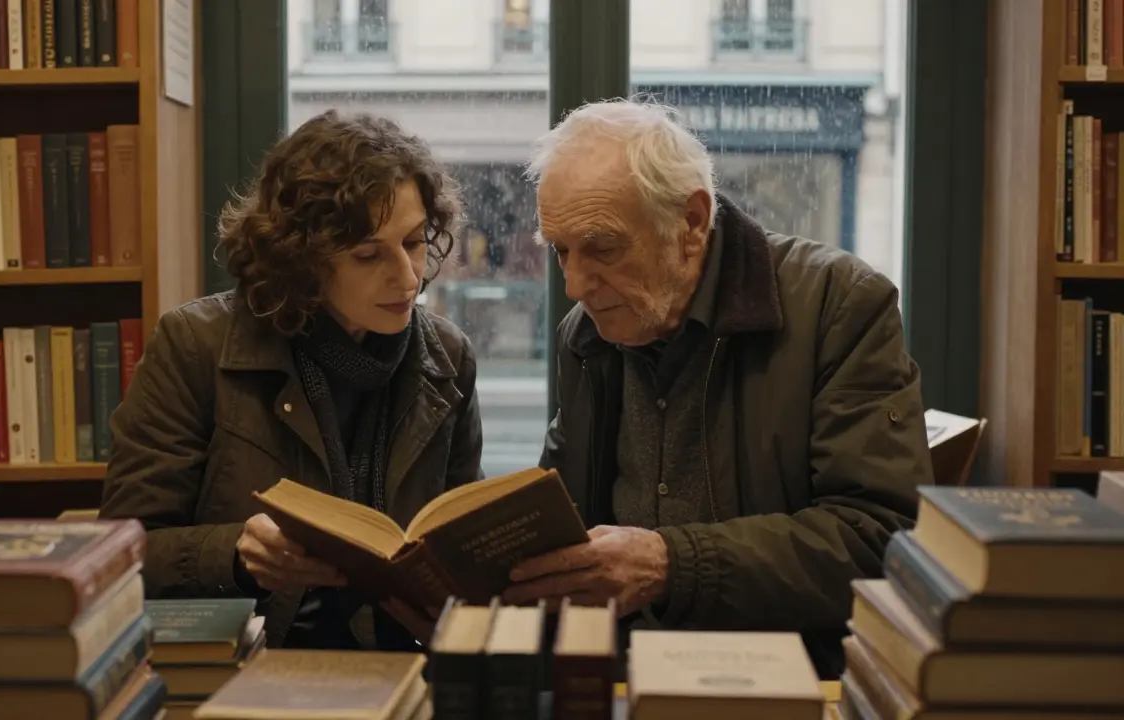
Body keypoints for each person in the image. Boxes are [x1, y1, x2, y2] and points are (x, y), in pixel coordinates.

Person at [501, 98, 932, 678]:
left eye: (602, 248)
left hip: (787, 680)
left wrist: (670, 564)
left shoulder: (838, 304)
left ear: (691, 224)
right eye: (560, 251)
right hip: (617, 677)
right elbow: (571, 519)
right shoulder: (587, 337)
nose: (576, 284)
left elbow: (882, 541)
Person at [99, 110, 484, 652]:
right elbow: (120, 553)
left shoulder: (448, 356)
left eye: (416, 242)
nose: (407, 277)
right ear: (302, 259)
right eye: (369, 254)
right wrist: (234, 551)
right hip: (249, 661)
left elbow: (462, 539)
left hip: (404, 659)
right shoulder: (194, 346)